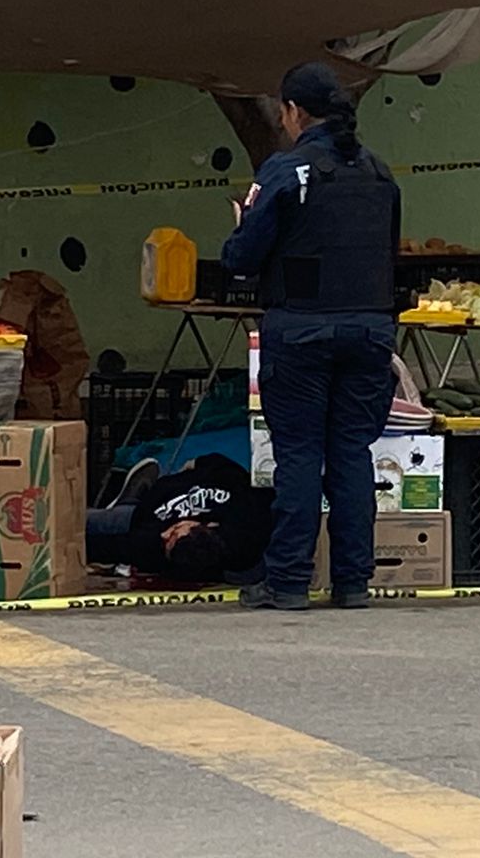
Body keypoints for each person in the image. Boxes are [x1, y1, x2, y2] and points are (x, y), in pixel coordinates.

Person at [221, 61, 400, 610]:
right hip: (370, 330)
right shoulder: (379, 173)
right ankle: (353, 582)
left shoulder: (286, 171)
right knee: (352, 452)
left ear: (293, 112)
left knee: (299, 454)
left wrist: (239, 228)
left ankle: (289, 581)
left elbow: (241, 260)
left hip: (300, 332)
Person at [86, 455, 273, 584]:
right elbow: (238, 476)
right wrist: (199, 463)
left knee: (86, 522)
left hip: (141, 515)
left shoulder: (156, 546)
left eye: (168, 540)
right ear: (202, 526)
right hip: (182, 484)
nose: (165, 533)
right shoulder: (247, 525)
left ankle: (128, 500)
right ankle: (130, 499)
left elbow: (109, 547)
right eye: (175, 532)